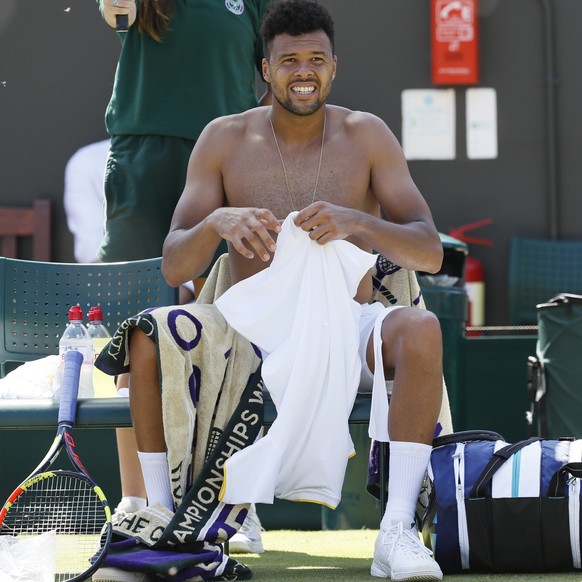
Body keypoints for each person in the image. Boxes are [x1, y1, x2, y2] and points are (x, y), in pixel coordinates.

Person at [96, 0, 448, 580]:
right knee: (148, 335)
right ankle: (164, 518)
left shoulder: (367, 134)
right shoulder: (223, 138)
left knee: (420, 327)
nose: (302, 71)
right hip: (246, 337)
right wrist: (216, 224)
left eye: (315, 59)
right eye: (289, 60)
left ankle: (397, 533)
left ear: (334, 66)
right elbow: (172, 264)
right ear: (265, 69)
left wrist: (357, 222)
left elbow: (428, 250)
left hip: (345, 329)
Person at [93, 0, 273, 562]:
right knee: (133, 333)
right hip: (143, 154)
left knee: (240, 334)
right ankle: (134, 499)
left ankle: (235, 503)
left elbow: (270, 73)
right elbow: (117, 13)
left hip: (229, 158)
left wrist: (251, 140)